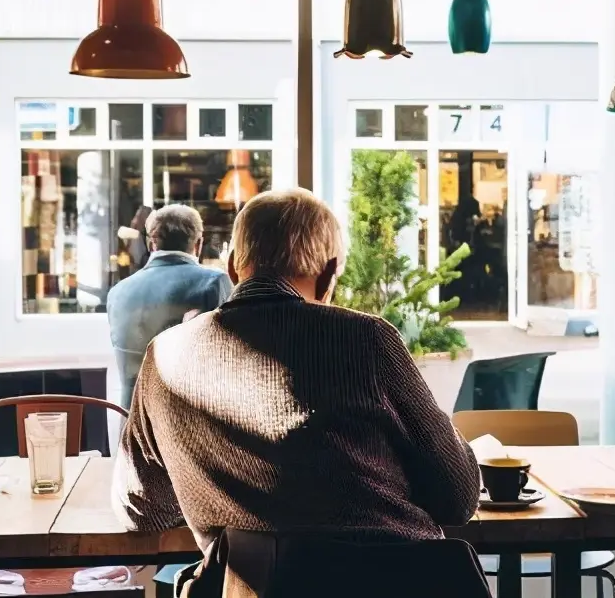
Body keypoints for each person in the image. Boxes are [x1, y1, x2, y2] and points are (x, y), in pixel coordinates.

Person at [111, 189, 480, 563]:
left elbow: (141, 510)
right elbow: (458, 497)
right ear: (329, 274)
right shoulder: (369, 340)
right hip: (394, 583)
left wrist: (209, 482)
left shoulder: (164, 355)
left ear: (234, 266)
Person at [106, 204, 232, 410]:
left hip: (130, 424)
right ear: (198, 244)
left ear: (151, 244)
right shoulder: (214, 282)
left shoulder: (117, 292)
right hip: (186, 425)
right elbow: (225, 360)